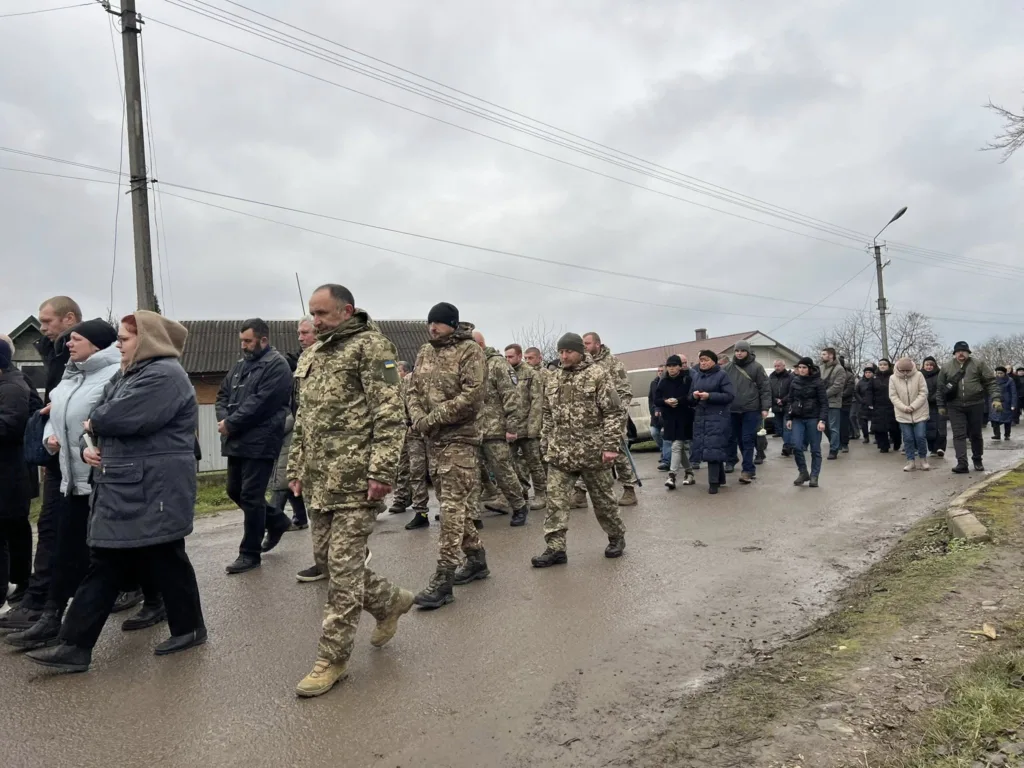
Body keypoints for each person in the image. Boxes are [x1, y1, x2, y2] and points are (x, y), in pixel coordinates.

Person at [26, 311, 206, 672]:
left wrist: (95, 424)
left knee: (146, 558)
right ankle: (79, 645)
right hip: (127, 482)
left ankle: (79, 645)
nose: (119, 344)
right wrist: (87, 443)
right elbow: (94, 417)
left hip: (153, 486)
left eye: (124, 339)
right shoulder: (130, 374)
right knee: (134, 559)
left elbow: (118, 417)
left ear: (148, 340)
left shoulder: (165, 375)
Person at [285, 284, 414, 697]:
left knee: (342, 569)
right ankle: (390, 600)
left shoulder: (375, 348)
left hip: (359, 480)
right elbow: (303, 418)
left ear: (347, 310)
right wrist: (296, 466)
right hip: (322, 479)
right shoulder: (311, 354)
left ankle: (332, 658)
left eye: (322, 314)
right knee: (327, 560)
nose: (315, 322)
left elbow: (391, 414)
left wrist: (382, 470)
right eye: (312, 314)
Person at [7, 320, 134, 650]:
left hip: (100, 480)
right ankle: (51, 618)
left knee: (120, 557)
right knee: (65, 550)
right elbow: (57, 413)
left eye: (76, 339)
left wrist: (88, 442)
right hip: (70, 479)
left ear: (96, 343)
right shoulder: (70, 374)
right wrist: (51, 435)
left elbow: (101, 419)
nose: (69, 345)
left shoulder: (113, 376)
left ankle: (157, 597)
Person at [0, 297, 80, 632]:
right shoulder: (58, 357)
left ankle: (44, 605)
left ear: (69, 319)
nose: (42, 326)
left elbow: (12, 424)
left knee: (66, 535)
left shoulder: (13, 385)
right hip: (56, 460)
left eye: (47, 321)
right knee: (49, 531)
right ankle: (38, 601)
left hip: (52, 466)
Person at [406, 302, 488, 609]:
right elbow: (412, 388)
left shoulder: (470, 351)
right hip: (432, 441)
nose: (433, 328)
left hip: (460, 440)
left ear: (452, 324)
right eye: (430, 323)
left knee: (451, 508)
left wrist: (433, 418)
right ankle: (477, 559)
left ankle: (444, 579)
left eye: (438, 323)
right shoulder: (425, 351)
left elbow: (473, 396)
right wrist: (417, 416)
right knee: (454, 506)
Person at [532, 333, 626, 566]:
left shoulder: (598, 375)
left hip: (592, 452)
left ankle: (616, 537)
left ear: (580, 352)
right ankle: (555, 548)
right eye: (561, 352)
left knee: (603, 500)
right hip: (561, 453)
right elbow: (547, 414)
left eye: (569, 351)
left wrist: (611, 446)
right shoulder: (553, 379)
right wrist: (546, 442)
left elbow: (613, 413)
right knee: (555, 502)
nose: (564, 356)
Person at [216, 318, 295, 574]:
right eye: (242, 341)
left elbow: (262, 403)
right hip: (236, 439)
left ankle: (249, 554)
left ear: (263, 340)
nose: (243, 346)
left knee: (251, 496)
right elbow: (222, 396)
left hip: (261, 439)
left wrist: (232, 422)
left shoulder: (276, 366)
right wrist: (224, 419)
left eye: (248, 341)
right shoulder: (239, 367)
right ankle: (277, 519)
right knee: (234, 490)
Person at [571, 332, 637, 507]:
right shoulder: (582, 364)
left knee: (618, 452)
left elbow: (624, 391)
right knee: (586, 454)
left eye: (587, 343)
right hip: (589, 419)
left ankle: (629, 489)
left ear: (598, 344)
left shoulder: (613, 363)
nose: (584, 347)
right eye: (582, 344)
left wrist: (617, 414)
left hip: (611, 416)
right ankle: (580, 494)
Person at [473, 331, 529, 526]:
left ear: (479, 344)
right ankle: (472, 516)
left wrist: (511, 427)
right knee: (473, 473)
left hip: (495, 429)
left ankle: (519, 505)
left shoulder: (497, 364)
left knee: (503, 471)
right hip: (474, 430)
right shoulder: (471, 365)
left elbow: (511, 396)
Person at [0, 337, 38, 610]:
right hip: (11, 470)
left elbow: (10, 426)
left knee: (12, 529)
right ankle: (18, 581)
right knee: (14, 529)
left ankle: (20, 583)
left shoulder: (13, 385)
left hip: (11, 471)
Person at [269, 317, 316, 536]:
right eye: (299, 333)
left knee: (286, 478)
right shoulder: (298, 361)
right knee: (290, 475)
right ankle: (298, 517)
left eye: (305, 333)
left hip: (320, 435)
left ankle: (272, 525)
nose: (300, 337)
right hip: (296, 427)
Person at [937, 341, 1001, 474]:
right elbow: (940, 388)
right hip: (955, 405)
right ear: (954, 353)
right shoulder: (947, 367)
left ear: (968, 353)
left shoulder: (978, 364)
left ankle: (977, 459)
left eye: (964, 351)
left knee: (975, 434)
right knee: (958, 435)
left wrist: (996, 399)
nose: (961, 353)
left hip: (975, 404)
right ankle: (962, 463)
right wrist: (941, 405)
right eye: (958, 351)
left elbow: (991, 382)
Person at [505, 343, 548, 512]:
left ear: (519, 356)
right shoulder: (506, 374)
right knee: (513, 463)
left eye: (511, 356)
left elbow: (537, 402)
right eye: (506, 357)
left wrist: (534, 428)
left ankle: (540, 493)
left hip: (528, 427)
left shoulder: (531, 374)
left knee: (534, 463)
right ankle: (521, 491)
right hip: (511, 427)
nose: (508, 360)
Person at [723, 340, 770, 484]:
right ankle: (748, 467)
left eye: (742, 351)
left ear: (747, 352)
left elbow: (765, 388)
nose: (739, 353)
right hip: (733, 410)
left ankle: (747, 470)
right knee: (738, 439)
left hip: (751, 409)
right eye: (737, 351)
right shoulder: (727, 368)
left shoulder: (756, 367)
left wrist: (765, 407)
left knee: (747, 439)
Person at [689, 350, 736, 494]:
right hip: (701, 416)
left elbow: (729, 395)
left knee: (713, 447)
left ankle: (713, 483)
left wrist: (709, 396)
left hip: (718, 416)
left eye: (706, 360)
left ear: (713, 361)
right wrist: (694, 396)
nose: (703, 363)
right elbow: (690, 397)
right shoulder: (696, 376)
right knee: (710, 448)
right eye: (701, 360)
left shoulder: (722, 375)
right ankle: (720, 479)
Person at [393, 361, 433, 531]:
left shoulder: (438, 378)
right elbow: (403, 402)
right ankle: (421, 512)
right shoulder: (408, 380)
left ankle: (447, 509)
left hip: (434, 430)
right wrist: (407, 421)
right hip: (415, 432)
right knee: (416, 471)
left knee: (439, 472)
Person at [784, 357, 828, 487]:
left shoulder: (818, 382)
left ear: (809, 368)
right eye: (799, 367)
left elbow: (824, 403)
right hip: (798, 418)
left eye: (804, 367)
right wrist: (789, 417)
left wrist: (822, 420)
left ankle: (814, 475)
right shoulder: (795, 381)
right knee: (797, 446)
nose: (801, 370)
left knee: (815, 449)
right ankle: (803, 472)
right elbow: (790, 400)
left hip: (813, 418)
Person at [655, 355, 695, 489]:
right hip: (669, 419)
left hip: (684, 417)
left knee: (676, 446)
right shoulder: (663, 381)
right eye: (669, 366)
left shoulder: (687, 379)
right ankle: (689, 473)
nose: (671, 368)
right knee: (679, 447)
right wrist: (665, 402)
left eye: (674, 366)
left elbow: (691, 398)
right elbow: (656, 399)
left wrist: (679, 400)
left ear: (679, 366)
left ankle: (672, 476)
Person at [889, 358, 930, 471]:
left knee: (920, 436)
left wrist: (913, 406)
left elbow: (923, 392)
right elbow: (893, 396)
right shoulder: (893, 378)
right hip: (902, 413)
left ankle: (923, 459)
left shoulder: (919, 375)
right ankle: (910, 461)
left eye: (908, 370)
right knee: (907, 438)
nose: (906, 373)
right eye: (903, 371)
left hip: (920, 411)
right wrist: (904, 407)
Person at [820, 347, 848, 461]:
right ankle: (835, 443)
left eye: (824, 354)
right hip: (822, 403)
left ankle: (834, 449)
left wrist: (823, 395)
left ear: (831, 355)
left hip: (833, 402)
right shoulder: (821, 368)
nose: (821, 356)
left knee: (833, 427)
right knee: (824, 427)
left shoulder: (839, 369)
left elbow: (838, 386)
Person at [870, 359, 901, 454]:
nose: (882, 366)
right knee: (879, 428)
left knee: (893, 427)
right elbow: (869, 391)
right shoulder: (874, 378)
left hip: (891, 405)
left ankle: (897, 442)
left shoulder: (893, 377)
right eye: (880, 364)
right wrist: (869, 403)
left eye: (884, 364)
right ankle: (883, 446)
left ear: (888, 366)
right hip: (878, 406)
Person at [922, 357, 947, 457]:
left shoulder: (940, 375)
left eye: (931, 365)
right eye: (927, 365)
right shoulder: (920, 376)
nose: (929, 367)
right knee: (929, 427)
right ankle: (932, 449)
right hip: (924, 405)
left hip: (938, 404)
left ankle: (940, 448)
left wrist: (933, 398)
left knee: (940, 427)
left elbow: (941, 389)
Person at [769, 360, 793, 456]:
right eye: (775, 366)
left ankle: (787, 446)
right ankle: (789, 445)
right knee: (780, 429)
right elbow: (768, 391)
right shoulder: (771, 377)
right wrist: (775, 400)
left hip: (787, 405)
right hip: (775, 406)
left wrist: (783, 400)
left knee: (786, 427)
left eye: (779, 365)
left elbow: (792, 391)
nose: (777, 367)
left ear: (784, 366)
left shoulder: (790, 377)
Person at [649, 365, 670, 471]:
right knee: (654, 432)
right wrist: (653, 411)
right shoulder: (653, 383)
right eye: (658, 371)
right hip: (655, 415)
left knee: (666, 436)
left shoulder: (667, 382)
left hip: (666, 414)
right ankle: (664, 450)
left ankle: (666, 460)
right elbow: (651, 399)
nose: (660, 372)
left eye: (662, 371)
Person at [990, 367, 1017, 441]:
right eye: (997, 373)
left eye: (1001, 373)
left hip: (1006, 403)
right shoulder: (993, 380)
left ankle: (1007, 435)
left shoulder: (1010, 380)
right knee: (994, 418)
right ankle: (997, 434)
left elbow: (1013, 393)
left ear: (1005, 373)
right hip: (996, 401)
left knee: (1007, 420)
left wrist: (1013, 404)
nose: (999, 375)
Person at [839, 355, 856, 450]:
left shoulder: (849, 375)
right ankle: (836, 442)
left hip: (845, 403)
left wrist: (838, 396)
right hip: (832, 402)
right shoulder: (831, 374)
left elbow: (849, 390)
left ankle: (844, 443)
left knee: (844, 424)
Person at [856, 366, 875, 444]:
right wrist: (861, 400)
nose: (868, 374)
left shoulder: (875, 381)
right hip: (863, 405)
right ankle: (866, 437)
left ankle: (877, 437)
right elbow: (856, 392)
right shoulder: (861, 382)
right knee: (863, 421)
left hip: (874, 404)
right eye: (866, 372)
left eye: (869, 372)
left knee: (875, 421)